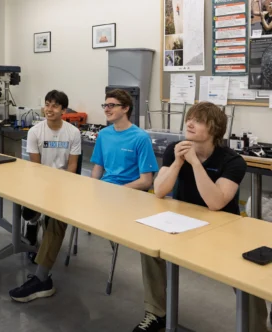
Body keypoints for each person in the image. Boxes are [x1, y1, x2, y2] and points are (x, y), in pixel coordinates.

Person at [133, 102, 268, 332]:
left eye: (197, 121)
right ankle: (156, 312)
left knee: (247, 273)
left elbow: (215, 203)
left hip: (223, 229)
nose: (189, 123)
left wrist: (195, 163)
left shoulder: (233, 161)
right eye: (189, 119)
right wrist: (177, 162)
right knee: (149, 247)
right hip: (182, 224)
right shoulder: (175, 149)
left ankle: (258, 328)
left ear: (214, 129)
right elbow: (160, 190)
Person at [8, 90, 81, 302]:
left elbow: (73, 166)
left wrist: (62, 189)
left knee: (56, 217)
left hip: (64, 186)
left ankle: (40, 270)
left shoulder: (72, 133)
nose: (49, 109)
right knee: (29, 211)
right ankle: (33, 222)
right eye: (47, 104)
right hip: (39, 183)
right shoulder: (35, 132)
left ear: (63, 111)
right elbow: (35, 166)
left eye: (55, 106)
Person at [90, 89, 158, 191]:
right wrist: (92, 188)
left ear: (125, 108)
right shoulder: (103, 134)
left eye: (111, 105)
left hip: (130, 192)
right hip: (105, 188)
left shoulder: (141, 137)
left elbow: (146, 181)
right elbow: (98, 167)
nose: (106, 110)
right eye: (105, 106)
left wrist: (119, 190)